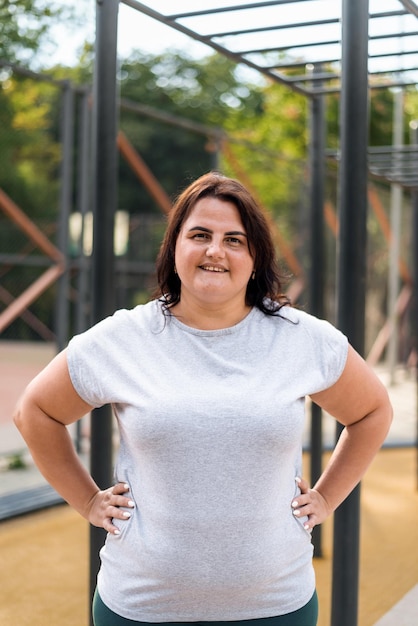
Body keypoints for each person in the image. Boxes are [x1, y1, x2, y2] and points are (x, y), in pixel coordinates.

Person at [14, 172, 392, 626]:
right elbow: (35, 412)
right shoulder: (124, 338)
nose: (216, 250)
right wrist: (88, 501)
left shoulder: (301, 338)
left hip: (275, 606)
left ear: (255, 257)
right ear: (175, 247)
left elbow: (373, 412)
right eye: (200, 235)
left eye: (235, 239)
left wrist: (327, 500)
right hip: (141, 606)